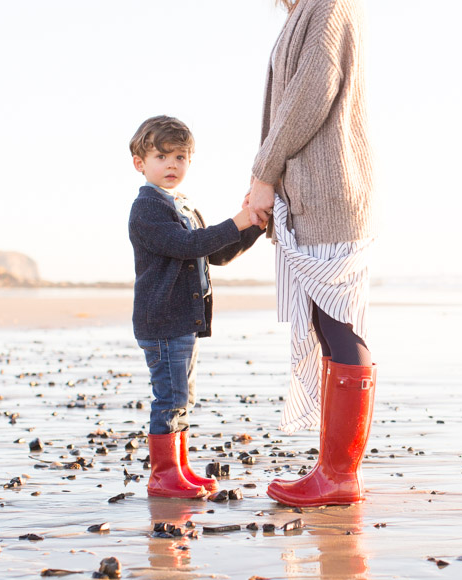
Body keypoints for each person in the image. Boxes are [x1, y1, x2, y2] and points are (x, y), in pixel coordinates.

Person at [247, 0, 378, 507]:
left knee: (339, 323)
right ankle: (334, 470)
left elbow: (308, 96)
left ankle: (340, 475)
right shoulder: (307, 11)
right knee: (330, 327)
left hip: (330, 192)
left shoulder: (330, 5)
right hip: (315, 192)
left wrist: (263, 173)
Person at [128, 115, 263, 498]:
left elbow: (215, 253)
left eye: (181, 157)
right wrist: (235, 221)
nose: (172, 165)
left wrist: (251, 224)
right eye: (162, 156)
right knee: (169, 398)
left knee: (181, 396)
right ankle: (163, 475)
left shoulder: (183, 206)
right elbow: (189, 246)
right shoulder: (148, 209)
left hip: (183, 320)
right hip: (163, 320)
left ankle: (180, 468)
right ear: (140, 163)